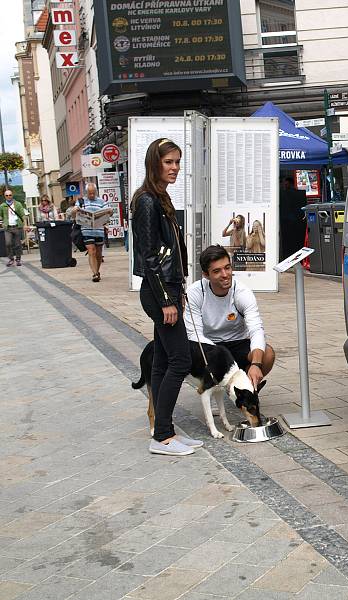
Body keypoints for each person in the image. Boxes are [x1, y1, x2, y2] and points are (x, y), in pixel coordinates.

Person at [132, 137, 199, 457]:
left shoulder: (159, 198)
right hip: (158, 293)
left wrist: (178, 291)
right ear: (154, 163)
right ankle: (162, 435)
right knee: (181, 360)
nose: (175, 168)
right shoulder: (146, 200)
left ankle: (164, 431)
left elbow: (168, 253)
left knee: (161, 362)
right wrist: (165, 300)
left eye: (177, 162)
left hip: (168, 289)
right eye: (169, 162)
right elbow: (148, 256)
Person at [184, 244, 275, 390]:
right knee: (193, 350)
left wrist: (256, 364)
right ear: (206, 275)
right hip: (209, 346)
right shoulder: (195, 292)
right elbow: (194, 334)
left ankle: (245, 389)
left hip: (238, 342)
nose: (225, 274)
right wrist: (221, 356)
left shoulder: (242, 292)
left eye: (227, 267)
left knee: (268, 354)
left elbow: (256, 329)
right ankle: (209, 388)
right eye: (217, 271)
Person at [79, 183, 108, 282]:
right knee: (91, 251)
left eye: (93, 193)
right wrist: (75, 210)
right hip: (86, 230)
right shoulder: (81, 201)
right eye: (89, 193)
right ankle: (95, 273)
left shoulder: (101, 201)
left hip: (99, 230)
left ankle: (97, 270)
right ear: (86, 192)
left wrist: (109, 213)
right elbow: (74, 213)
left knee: (99, 253)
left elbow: (107, 213)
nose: (91, 195)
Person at [279, 176, 307, 260]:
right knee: (297, 242)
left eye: (285, 183)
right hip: (298, 222)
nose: (284, 185)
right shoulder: (300, 194)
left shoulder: (284, 195)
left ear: (288, 184)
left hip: (288, 222)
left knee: (289, 243)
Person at [1, 188, 29, 267]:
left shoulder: (18, 204)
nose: (8, 196)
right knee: (8, 243)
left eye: (10, 195)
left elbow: (23, 215)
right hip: (8, 228)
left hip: (17, 226)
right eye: (7, 195)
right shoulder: (2, 206)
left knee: (17, 244)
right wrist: (3, 222)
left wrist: (25, 225)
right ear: (5, 196)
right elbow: (1, 215)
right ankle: (11, 259)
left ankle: (18, 259)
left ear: (12, 195)